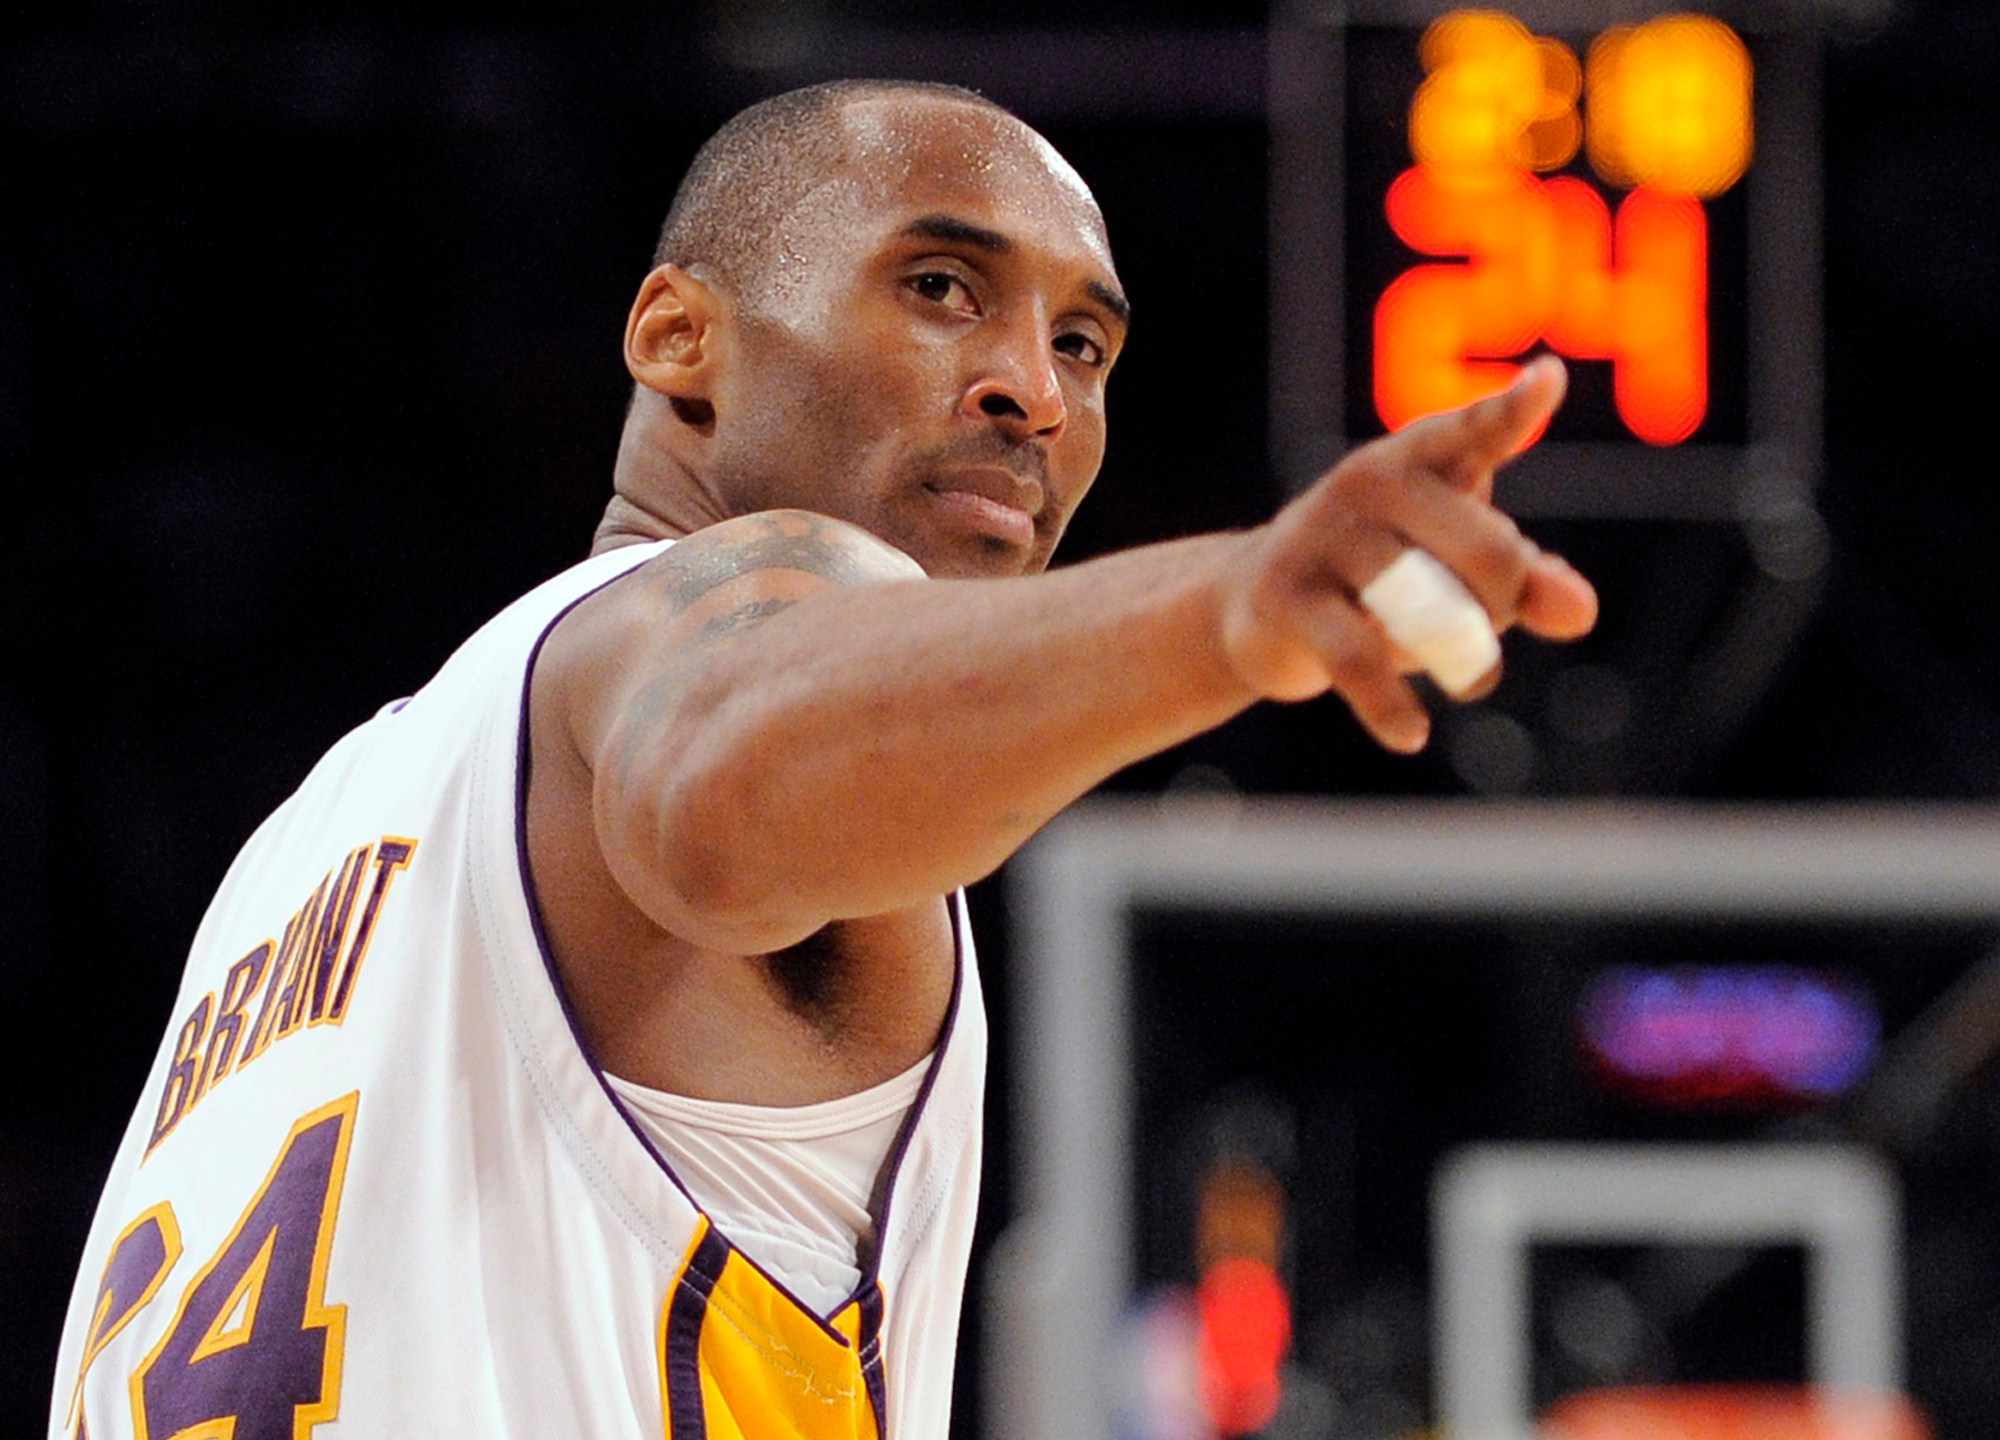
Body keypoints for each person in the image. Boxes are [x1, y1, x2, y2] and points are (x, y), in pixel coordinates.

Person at [48, 78, 1596, 1438]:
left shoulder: (309, 844)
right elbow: (720, 768)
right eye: (939, 286)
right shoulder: (710, 622)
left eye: (1083, 344)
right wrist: (1233, 612)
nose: (1035, 394)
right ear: (679, 337)